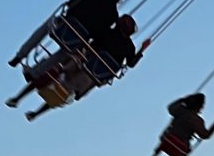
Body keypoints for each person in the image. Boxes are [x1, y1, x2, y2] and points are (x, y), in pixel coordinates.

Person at [17, 15, 150, 121]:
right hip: (94, 75)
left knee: (56, 71)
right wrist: (142, 50)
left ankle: (21, 96)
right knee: (63, 93)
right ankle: (36, 113)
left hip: (83, 60)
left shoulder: (107, 32)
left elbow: (91, 38)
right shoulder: (130, 48)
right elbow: (131, 63)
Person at [7, 0, 126, 67]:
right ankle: (35, 72)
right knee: (65, 54)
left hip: (64, 26)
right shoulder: (113, 16)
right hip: (77, 39)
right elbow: (99, 34)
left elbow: (73, 0)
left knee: (47, 26)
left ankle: (21, 55)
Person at [145, 93, 214, 156]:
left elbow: (170, 108)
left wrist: (183, 99)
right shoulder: (197, 121)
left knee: (165, 140)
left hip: (168, 139)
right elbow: (205, 135)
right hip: (180, 147)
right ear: (200, 107)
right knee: (183, 151)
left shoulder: (180, 110)